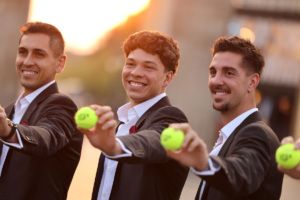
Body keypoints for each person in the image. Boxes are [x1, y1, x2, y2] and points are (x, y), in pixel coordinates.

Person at [166, 36, 283, 200]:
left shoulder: (257, 134)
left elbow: (240, 175)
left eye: (229, 73)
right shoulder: (232, 134)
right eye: (213, 72)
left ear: (252, 82)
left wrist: (203, 162)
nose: (216, 80)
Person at [80, 30, 189, 200]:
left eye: (148, 67)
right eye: (131, 64)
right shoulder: (122, 124)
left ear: (167, 78)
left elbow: (153, 141)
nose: (136, 72)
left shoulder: (172, 118)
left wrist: (113, 145)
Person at [0, 22, 83, 199]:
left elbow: (46, 137)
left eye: (39, 54)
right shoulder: (8, 111)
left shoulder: (63, 106)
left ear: (60, 63)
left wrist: (8, 131)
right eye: (23, 52)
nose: (27, 61)